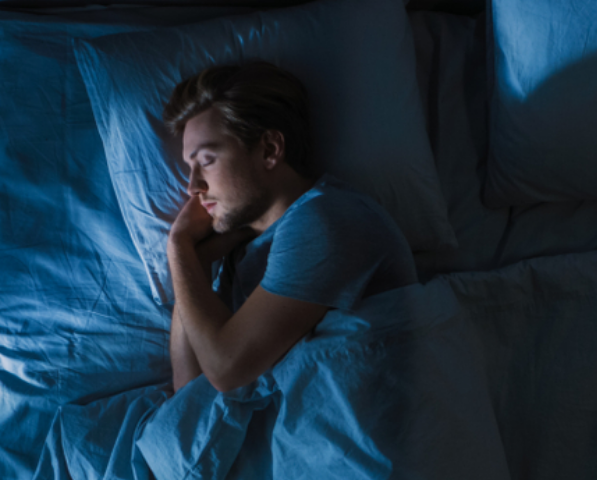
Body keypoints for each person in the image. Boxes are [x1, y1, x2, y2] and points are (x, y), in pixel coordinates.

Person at [163, 62, 418, 394]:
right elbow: (189, 393)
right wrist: (196, 262)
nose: (192, 187)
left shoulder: (325, 219)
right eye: (189, 166)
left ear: (269, 150)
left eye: (207, 160)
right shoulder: (239, 250)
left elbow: (225, 369)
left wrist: (179, 248)